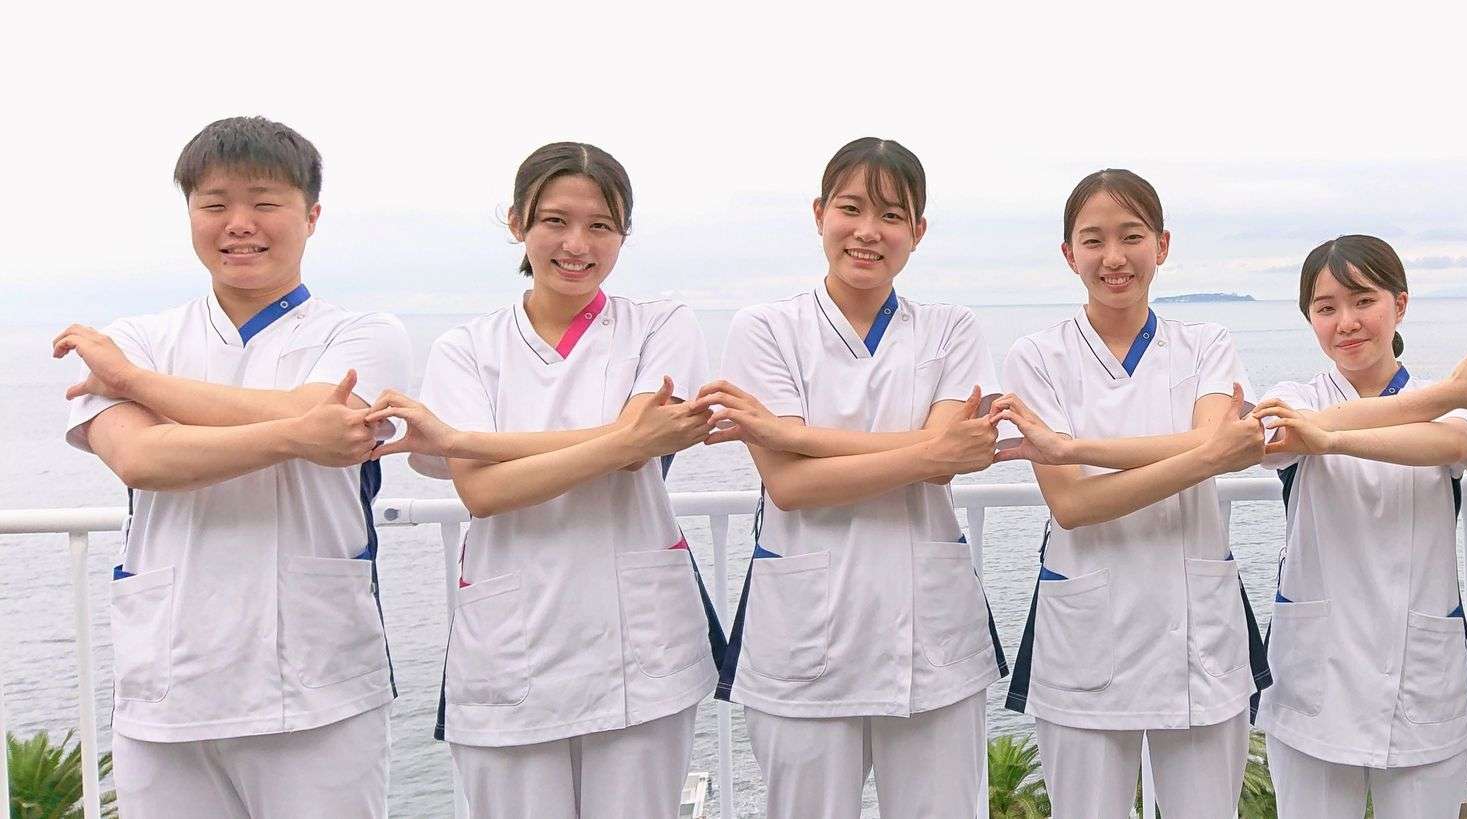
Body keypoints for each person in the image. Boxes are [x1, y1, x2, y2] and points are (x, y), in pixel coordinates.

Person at [56, 115, 408, 818]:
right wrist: (298, 432)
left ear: (311, 216)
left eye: (265, 202)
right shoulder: (139, 337)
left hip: (317, 686)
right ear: (190, 213)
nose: (239, 224)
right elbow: (142, 458)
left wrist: (136, 384)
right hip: (168, 684)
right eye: (214, 204)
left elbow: (328, 418)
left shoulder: (363, 334)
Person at [370, 141, 725, 817]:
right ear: (517, 223)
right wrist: (625, 438)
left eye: (601, 225)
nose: (576, 244)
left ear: (624, 233)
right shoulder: (466, 349)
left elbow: (634, 452)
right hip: (514, 647)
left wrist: (464, 441)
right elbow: (485, 492)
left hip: (638, 648)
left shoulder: (661, 325)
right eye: (555, 221)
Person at [702, 137, 1006, 819]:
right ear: (819, 214)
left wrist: (795, 436)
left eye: (892, 215)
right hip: (806, 639)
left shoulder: (951, 329)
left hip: (930, 642)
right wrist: (930, 453)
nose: (869, 231)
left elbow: (951, 455)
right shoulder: (766, 329)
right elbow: (792, 488)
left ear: (917, 231)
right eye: (851, 209)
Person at [996, 168, 1269, 818]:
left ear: (1162, 245)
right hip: (1088, 635)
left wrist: (1074, 449)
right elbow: (1073, 505)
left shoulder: (1206, 345)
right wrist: (1206, 455)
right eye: (1093, 240)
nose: (1114, 257)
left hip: (1195, 636)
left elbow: (1209, 447)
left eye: (1132, 236)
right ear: (1069, 254)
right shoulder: (1037, 356)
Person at [1249, 235, 1467, 818]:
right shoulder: (1294, 397)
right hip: (1317, 670)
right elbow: (1277, 438)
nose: (1346, 322)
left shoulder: (1450, 404)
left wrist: (1329, 438)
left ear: (1400, 305)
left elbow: (1452, 443)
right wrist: (1446, 394)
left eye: (1363, 301)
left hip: (1419, 671)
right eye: (1326, 308)